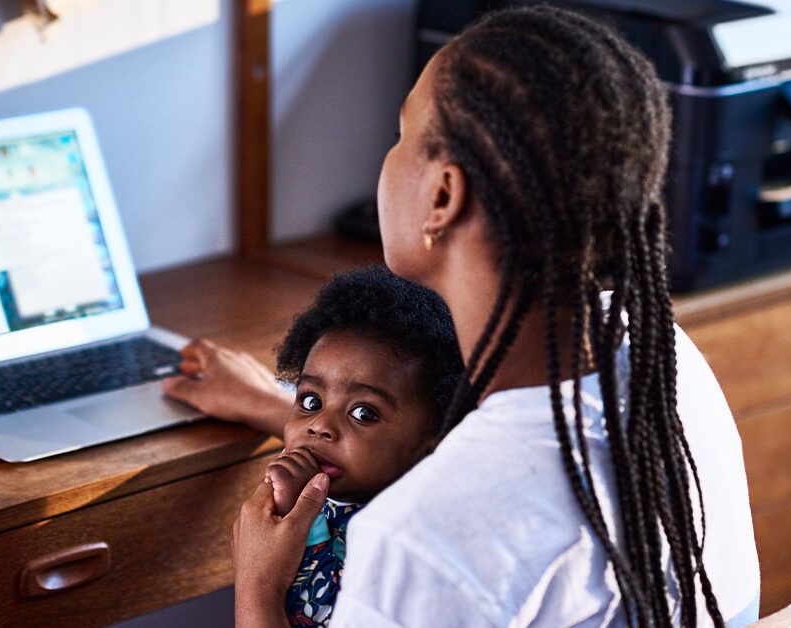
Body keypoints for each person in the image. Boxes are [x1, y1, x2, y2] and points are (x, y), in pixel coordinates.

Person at [166, 5, 760, 627]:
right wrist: (288, 408)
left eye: (400, 135)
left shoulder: (424, 543)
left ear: (443, 196)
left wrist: (258, 586)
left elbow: (474, 507)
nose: (387, 160)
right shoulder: (657, 354)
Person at [230, 266, 463, 626]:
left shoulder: (402, 553)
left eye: (364, 412)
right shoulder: (321, 493)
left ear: (431, 442)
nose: (320, 425)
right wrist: (288, 505)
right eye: (310, 401)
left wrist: (256, 584)